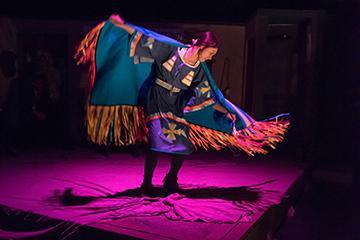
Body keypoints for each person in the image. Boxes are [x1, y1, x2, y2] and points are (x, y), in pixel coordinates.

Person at [75, 14, 289, 195]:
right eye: (211, 53)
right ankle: (147, 184)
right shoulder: (169, 50)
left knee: (184, 145)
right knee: (158, 141)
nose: (211, 57)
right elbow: (144, 37)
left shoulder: (199, 69)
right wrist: (121, 25)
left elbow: (209, 96)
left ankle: (170, 179)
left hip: (174, 104)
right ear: (202, 46)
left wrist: (228, 113)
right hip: (156, 98)